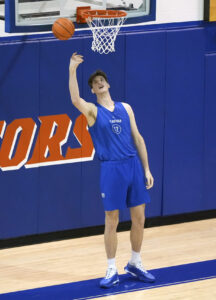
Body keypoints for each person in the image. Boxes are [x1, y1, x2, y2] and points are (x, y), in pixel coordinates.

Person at [68, 52, 156, 288]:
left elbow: (138, 139)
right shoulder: (92, 111)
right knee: (112, 220)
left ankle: (135, 262)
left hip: (133, 166)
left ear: (108, 84)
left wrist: (146, 169)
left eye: (102, 80)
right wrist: (72, 69)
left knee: (139, 218)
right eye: (96, 83)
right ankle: (110, 269)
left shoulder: (126, 108)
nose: (100, 82)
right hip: (111, 169)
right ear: (94, 91)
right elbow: (75, 99)